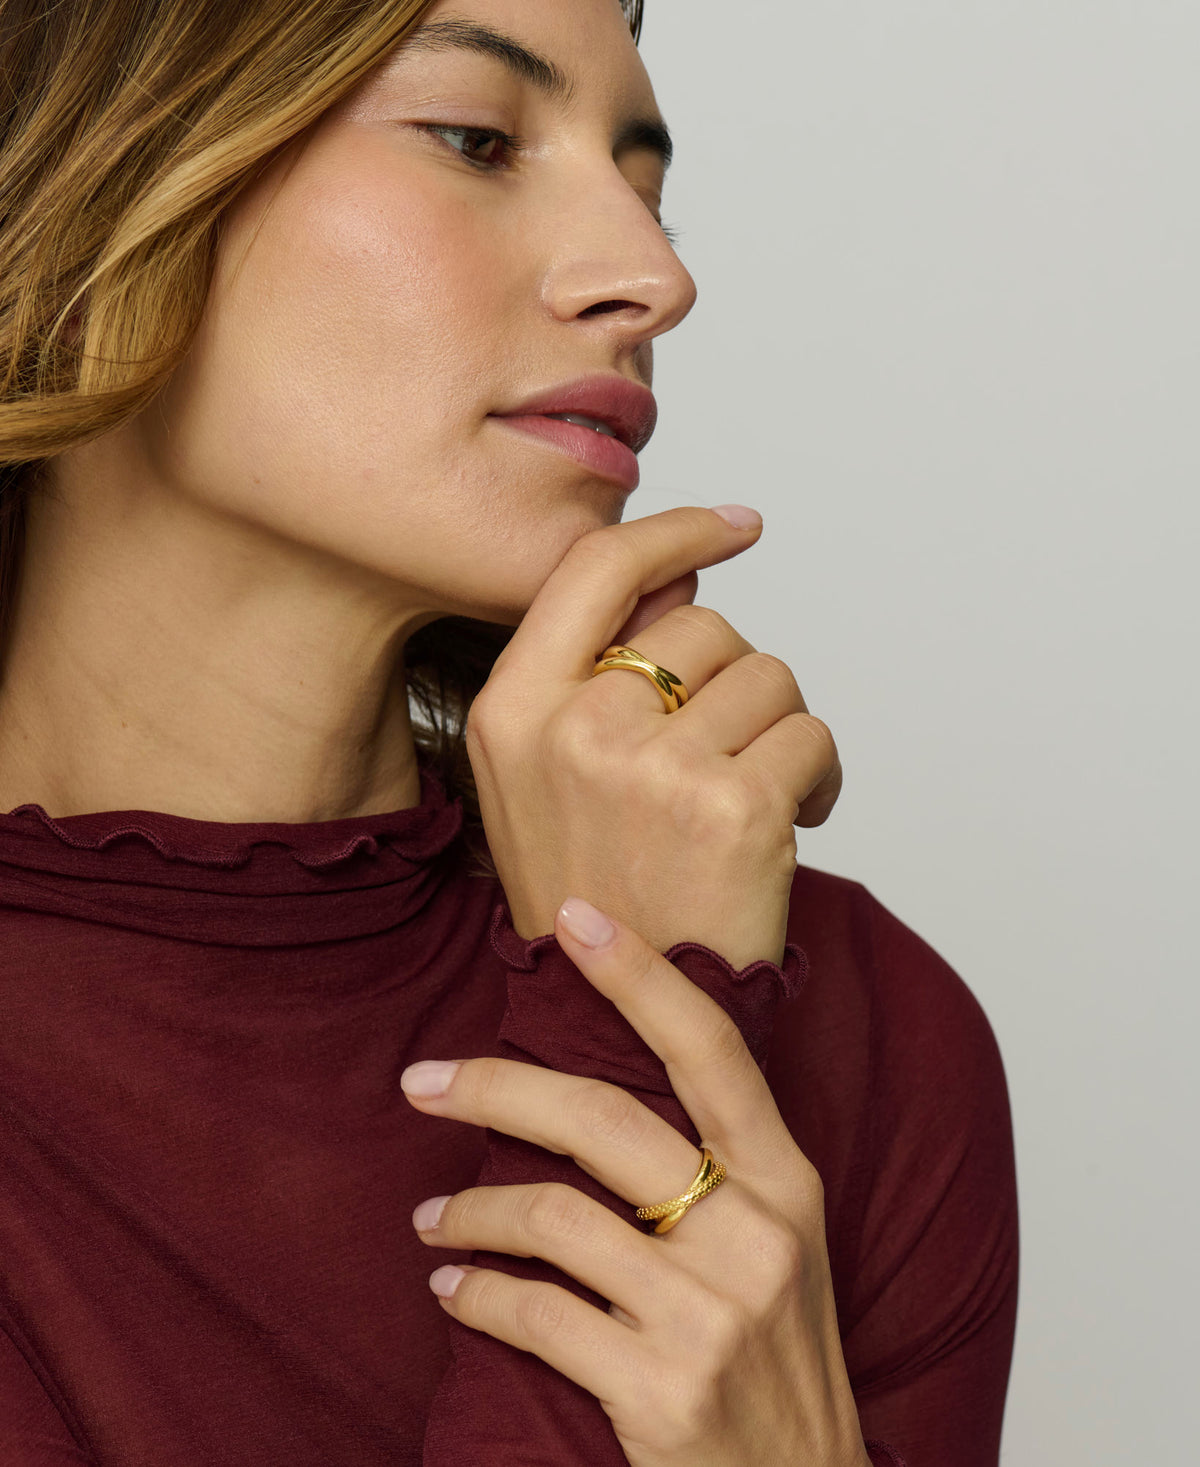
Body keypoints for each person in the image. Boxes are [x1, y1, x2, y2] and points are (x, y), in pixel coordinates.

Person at [0, 0, 1018, 1462]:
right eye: (476, 139)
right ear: (96, 179)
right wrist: (635, 1015)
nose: (655, 280)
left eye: (647, 184)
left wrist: (639, 978)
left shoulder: (851, 1018)